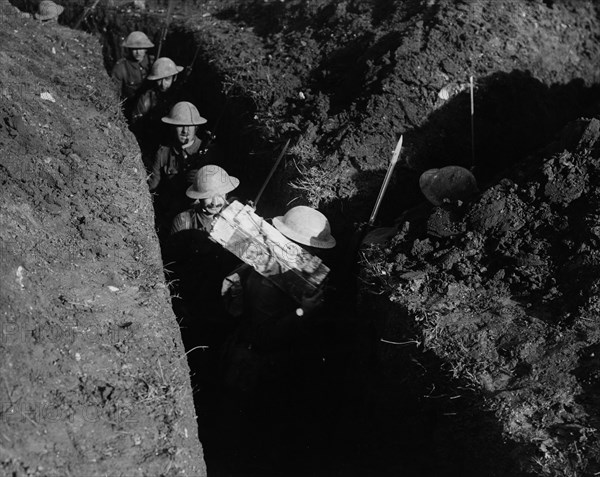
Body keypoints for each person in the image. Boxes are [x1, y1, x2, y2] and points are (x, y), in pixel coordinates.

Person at [220, 205, 337, 472]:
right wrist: (302, 312)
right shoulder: (267, 283)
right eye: (313, 250)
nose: (316, 257)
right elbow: (265, 335)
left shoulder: (271, 262)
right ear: (290, 244)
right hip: (255, 369)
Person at [130, 57, 183, 162]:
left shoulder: (179, 96)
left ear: (175, 77)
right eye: (159, 80)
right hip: (152, 142)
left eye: (167, 79)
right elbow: (136, 127)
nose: (163, 84)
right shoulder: (146, 99)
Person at [110, 31, 154, 120]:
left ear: (146, 49)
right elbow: (115, 93)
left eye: (141, 48)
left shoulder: (152, 62)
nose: (138, 52)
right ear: (129, 49)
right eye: (134, 49)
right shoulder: (121, 67)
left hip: (152, 104)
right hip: (130, 108)